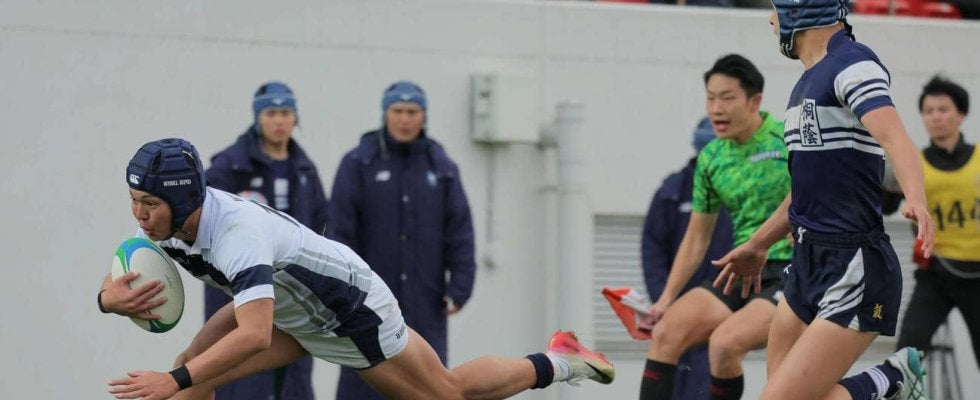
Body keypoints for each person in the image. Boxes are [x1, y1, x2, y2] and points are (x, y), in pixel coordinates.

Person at [99, 138, 614, 400]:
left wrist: (172, 378)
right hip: (287, 310)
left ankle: (560, 360)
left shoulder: (238, 235)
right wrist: (109, 299)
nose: (139, 215)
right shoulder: (165, 220)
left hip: (347, 311)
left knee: (448, 393)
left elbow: (254, 335)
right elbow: (127, 270)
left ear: (183, 199)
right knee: (192, 372)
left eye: (149, 204)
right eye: (133, 200)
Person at [710, 2, 936, 399]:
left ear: (800, 8)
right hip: (806, 262)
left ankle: (890, 379)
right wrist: (759, 244)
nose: (771, 19)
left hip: (853, 263)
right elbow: (804, 189)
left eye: (775, 8)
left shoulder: (853, 64)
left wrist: (916, 198)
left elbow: (894, 136)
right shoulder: (805, 82)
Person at [640, 54, 793, 400]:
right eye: (710, 98)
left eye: (727, 98)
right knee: (666, 332)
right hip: (740, 270)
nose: (716, 109)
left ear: (754, 101)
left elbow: (822, 193)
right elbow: (697, 237)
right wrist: (665, 300)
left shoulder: (787, 139)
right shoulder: (711, 158)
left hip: (793, 271)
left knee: (725, 344)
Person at [327, 81, 477, 399]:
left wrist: (459, 288)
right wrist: (342, 287)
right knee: (363, 379)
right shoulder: (358, 163)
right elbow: (340, 231)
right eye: (398, 111)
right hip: (365, 303)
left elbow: (460, 231)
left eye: (412, 111)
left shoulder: (442, 168)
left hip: (425, 303)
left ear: (424, 116)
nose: (405, 119)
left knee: (428, 383)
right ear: (385, 114)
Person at [202, 81, 327, 400]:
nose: (279, 121)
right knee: (240, 374)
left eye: (285, 113)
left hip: (294, 295)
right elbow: (202, 222)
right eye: (271, 113)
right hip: (240, 292)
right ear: (258, 117)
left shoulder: (304, 170)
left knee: (293, 379)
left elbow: (321, 230)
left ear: (295, 118)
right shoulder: (230, 167)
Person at [881, 76, 980, 373]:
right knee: (906, 354)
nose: (935, 117)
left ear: (961, 114)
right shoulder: (913, 163)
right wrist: (883, 177)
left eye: (943, 109)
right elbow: (885, 208)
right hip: (935, 274)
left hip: (977, 274)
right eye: (928, 111)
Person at [640, 117, 735, 400]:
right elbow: (653, 250)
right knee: (668, 376)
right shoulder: (673, 191)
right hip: (678, 309)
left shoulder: (742, 189)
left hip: (721, 307)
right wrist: (664, 300)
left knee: (709, 379)